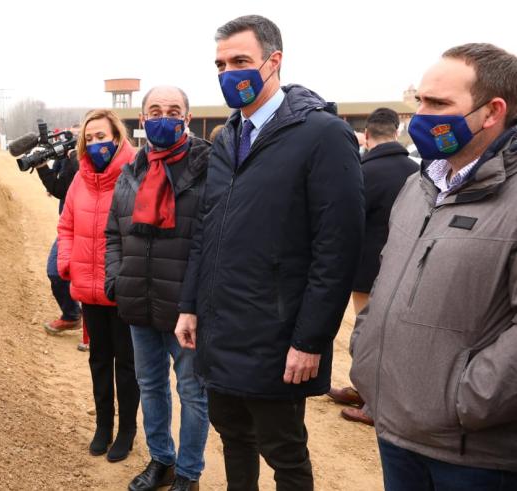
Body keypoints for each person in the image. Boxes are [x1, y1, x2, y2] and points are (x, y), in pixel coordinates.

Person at [175, 15, 364, 491]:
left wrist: (310, 340)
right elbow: (207, 232)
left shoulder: (321, 134)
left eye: (240, 61)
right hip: (221, 328)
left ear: (273, 61)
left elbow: (336, 249)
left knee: (284, 451)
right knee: (233, 437)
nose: (228, 73)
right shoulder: (227, 139)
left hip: (276, 337)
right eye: (220, 64)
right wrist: (190, 304)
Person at [350, 43, 517, 490]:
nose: (421, 115)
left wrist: (466, 400)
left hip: (473, 455)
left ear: (492, 111)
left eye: (439, 104)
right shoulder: (418, 185)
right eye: (420, 101)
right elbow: (388, 279)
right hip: (396, 431)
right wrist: (366, 354)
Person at [105, 86, 210, 491]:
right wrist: (117, 278)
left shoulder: (205, 168)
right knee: (150, 386)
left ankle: (189, 473)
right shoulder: (132, 170)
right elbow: (114, 231)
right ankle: (162, 460)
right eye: (155, 110)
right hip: (137, 300)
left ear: (186, 117)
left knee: (192, 392)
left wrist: (197, 300)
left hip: (185, 308)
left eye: (173, 110)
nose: (163, 117)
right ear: (142, 119)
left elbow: (210, 238)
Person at [57, 109, 140, 462]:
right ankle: (103, 425)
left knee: (127, 364)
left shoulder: (135, 174)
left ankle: (127, 431)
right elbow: (66, 226)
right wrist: (67, 264)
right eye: (89, 139)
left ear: (117, 137)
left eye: (101, 137)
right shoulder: (80, 179)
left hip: (121, 288)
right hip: (88, 288)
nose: (95, 144)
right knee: (99, 360)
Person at [328, 108, 417, 426]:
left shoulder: (362, 172)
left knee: (367, 335)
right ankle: (367, 390)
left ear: (367, 136)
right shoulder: (415, 171)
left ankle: (372, 400)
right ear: (396, 133)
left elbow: (347, 222)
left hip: (368, 268)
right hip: (409, 267)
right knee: (396, 334)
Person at [36, 127, 84, 345]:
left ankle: (95, 334)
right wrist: (41, 165)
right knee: (55, 272)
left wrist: (74, 154)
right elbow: (60, 188)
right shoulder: (67, 158)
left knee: (93, 281)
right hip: (69, 227)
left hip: (96, 229)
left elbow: (84, 174)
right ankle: (72, 315)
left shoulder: (91, 159)